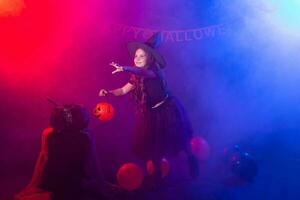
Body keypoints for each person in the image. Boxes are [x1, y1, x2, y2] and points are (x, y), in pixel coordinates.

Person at [99, 33, 199, 187]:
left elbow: (143, 72)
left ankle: (192, 161)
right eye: (136, 56)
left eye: (142, 56)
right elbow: (124, 90)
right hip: (152, 114)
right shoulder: (135, 76)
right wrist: (109, 92)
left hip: (167, 111)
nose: (137, 58)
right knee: (154, 147)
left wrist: (125, 68)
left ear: (150, 59)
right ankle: (157, 176)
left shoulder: (153, 72)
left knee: (180, 139)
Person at [15, 104, 110, 200]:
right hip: (73, 183)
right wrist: (101, 184)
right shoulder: (86, 137)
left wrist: (34, 185)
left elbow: (43, 160)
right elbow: (92, 163)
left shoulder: (48, 134)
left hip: (54, 181)